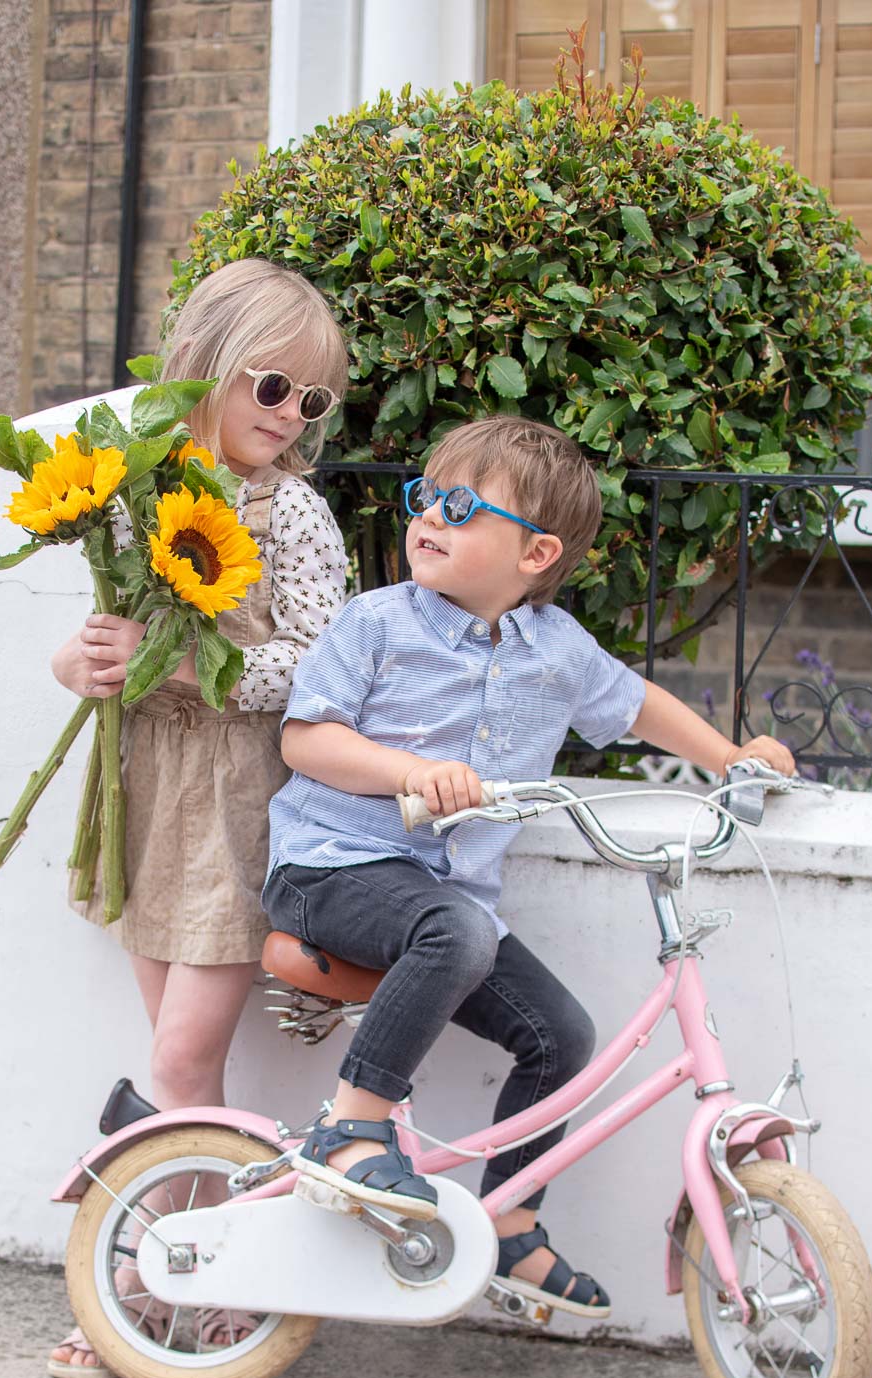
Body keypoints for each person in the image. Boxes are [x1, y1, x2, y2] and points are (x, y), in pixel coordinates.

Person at [262, 414, 794, 1319]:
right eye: (423, 497)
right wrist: (411, 771)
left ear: (537, 551)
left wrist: (730, 754)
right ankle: (348, 1126)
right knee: (456, 929)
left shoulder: (558, 649)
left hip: (447, 903)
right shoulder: (378, 621)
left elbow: (637, 707)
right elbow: (307, 738)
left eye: (460, 506)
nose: (429, 515)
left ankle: (508, 1215)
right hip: (331, 869)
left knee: (561, 1037)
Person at [47, 259, 349, 1378]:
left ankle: (133, 1280)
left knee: (178, 1060)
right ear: (206, 367)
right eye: (273, 386)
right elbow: (97, 635)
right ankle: (199, 1264)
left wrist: (191, 666)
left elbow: (326, 660)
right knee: (188, 1076)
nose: (290, 416)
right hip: (153, 798)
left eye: (312, 401)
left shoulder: (298, 513)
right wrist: (82, 658)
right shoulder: (138, 493)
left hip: (243, 803)